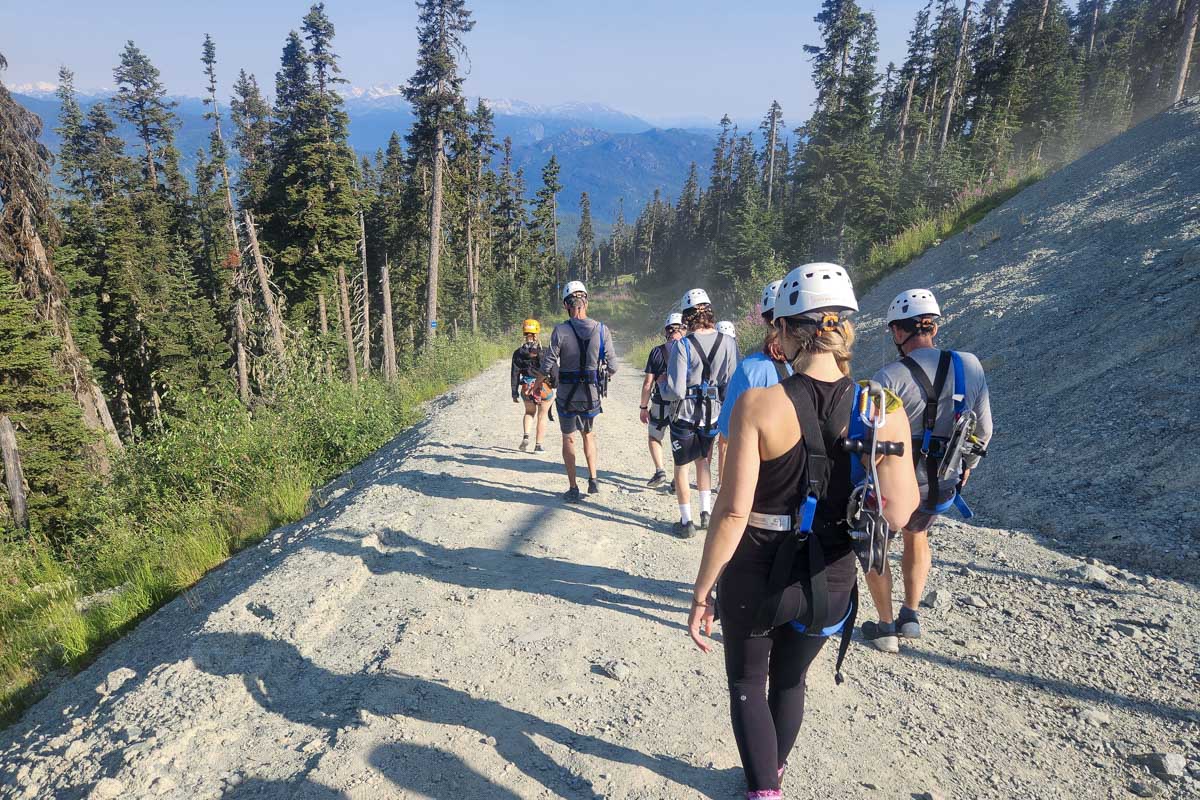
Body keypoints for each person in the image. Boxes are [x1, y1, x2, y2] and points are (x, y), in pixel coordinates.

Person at [687, 263, 919, 800]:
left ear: (787, 331)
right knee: (790, 681)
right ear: (842, 330)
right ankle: (775, 774)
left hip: (758, 569)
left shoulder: (759, 404)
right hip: (831, 577)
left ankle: (764, 787)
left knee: (748, 681)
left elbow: (731, 513)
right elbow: (901, 514)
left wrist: (703, 592)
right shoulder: (881, 408)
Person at [861, 288, 992, 652]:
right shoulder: (970, 365)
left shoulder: (887, 377)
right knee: (918, 535)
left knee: (876, 544)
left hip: (896, 486)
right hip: (943, 484)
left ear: (898, 332)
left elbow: (872, 442)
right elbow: (985, 430)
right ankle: (911, 614)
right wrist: (967, 467)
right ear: (932, 326)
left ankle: (886, 626)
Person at [661, 288, 738, 538]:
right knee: (703, 461)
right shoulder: (728, 342)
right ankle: (706, 513)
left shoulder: (683, 345)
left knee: (681, 466)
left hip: (684, 414)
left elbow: (676, 389)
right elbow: (729, 381)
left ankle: (687, 522)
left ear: (688, 316)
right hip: (712, 414)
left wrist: (662, 389)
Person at [542, 281, 617, 503]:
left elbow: (547, 364)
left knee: (568, 438)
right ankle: (593, 479)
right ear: (586, 301)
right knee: (588, 435)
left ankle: (573, 487)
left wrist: (539, 383)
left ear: (567, 304)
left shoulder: (561, 331)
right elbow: (613, 366)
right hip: (591, 394)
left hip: (567, 395)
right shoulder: (602, 330)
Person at [715, 280, 792, 485]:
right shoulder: (819, 368)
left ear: (766, 320)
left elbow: (727, 431)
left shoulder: (749, 368)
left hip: (764, 478)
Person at [639, 312, 685, 487]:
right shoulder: (689, 349)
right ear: (683, 329)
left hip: (660, 402)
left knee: (654, 436)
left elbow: (647, 383)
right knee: (679, 440)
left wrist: (643, 407)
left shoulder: (657, 352)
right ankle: (677, 479)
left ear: (667, 331)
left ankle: (660, 471)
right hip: (682, 403)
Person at [510, 319, 553, 453]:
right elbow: (553, 369)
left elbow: (515, 373)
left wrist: (514, 392)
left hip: (526, 388)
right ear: (537, 332)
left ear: (524, 332)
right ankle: (538, 445)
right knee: (542, 415)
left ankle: (526, 436)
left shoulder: (518, 353)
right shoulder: (544, 351)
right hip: (543, 387)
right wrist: (555, 383)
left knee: (529, 412)